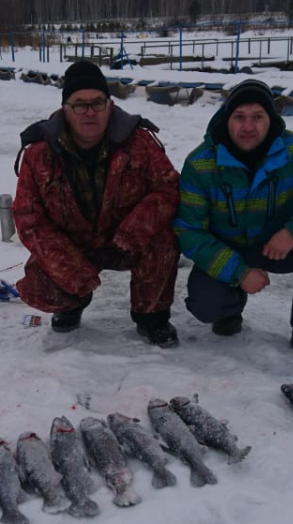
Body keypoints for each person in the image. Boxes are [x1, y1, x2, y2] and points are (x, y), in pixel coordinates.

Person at [175, 79, 293, 367]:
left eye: (257, 117)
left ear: (271, 119)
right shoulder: (201, 163)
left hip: (280, 243)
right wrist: (239, 272)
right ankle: (229, 309)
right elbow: (189, 232)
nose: (248, 127)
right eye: (239, 117)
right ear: (227, 119)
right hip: (229, 248)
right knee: (207, 305)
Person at [12, 60, 181, 347]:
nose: (90, 112)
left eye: (97, 103)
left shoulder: (139, 141)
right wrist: (67, 268)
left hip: (126, 240)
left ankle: (152, 316)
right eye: (80, 104)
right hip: (73, 246)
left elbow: (169, 188)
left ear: (109, 105)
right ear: (66, 109)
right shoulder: (39, 153)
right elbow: (29, 218)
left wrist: (137, 227)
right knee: (42, 281)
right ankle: (71, 304)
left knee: (163, 239)